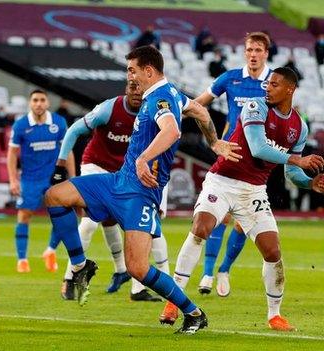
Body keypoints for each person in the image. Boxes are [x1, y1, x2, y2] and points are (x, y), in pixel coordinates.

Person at [44, 45, 241, 334]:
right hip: (117, 182)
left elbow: (172, 131)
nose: (130, 76)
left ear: (148, 71)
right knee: (55, 196)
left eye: (132, 70)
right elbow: (198, 110)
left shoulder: (160, 98)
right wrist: (213, 142)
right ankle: (80, 265)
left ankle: (194, 313)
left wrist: (143, 159)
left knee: (137, 268)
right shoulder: (171, 92)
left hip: (139, 194)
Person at [161, 67, 324, 331]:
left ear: (290, 89)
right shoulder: (254, 105)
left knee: (273, 251)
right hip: (222, 182)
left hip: (254, 191)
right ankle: (173, 300)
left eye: (274, 84)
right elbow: (259, 147)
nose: (267, 88)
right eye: (268, 83)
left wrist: (309, 182)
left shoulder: (299, 127)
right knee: (201, 229)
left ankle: (274, 315)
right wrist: (297, 159)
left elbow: (291, 174)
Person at [54, 80, 169, 302]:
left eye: (140, 89)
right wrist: (60, 164)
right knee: (88, 223)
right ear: (125, 90)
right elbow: (74, 131)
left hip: (128, 171)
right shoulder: (109, 108)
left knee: (135, 225)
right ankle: (70, 277)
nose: (136, 92)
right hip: (95, 165)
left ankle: (136, 287)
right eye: (131, 88)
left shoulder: (153, 113)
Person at [193, 32, 273, 297]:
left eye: (258, 50)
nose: (253, 54)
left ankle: (224, 269)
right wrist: (213, 137)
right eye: (249, 49)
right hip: (230, 152)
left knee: (243, 223)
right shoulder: (230, 78)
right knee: (221, 216)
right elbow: (197, 105)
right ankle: (206, 272)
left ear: (266, 53)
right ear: (244, 51)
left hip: (258, 160)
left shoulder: (274, 83)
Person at [7, 90, 74, 273]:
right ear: (30, 103)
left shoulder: (59, 122)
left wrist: (74, 178)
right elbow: (12, 155)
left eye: (42, 100)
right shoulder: (21, 125)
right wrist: (13, 180)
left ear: (47, 103)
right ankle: (22, 260)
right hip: (30, 180)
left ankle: (50, 251)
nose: (38, 103)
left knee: (63, 218)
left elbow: (68, 151)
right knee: (24, 216)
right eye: (35, 100)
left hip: (55, 179)